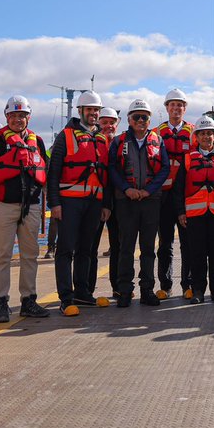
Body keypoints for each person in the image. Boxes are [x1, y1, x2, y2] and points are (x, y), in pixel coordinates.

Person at [0, 95, 50, 322]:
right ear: (6, 117)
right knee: (2, 255)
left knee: (30, 255)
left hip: (31, 207)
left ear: (29, 117)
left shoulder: (38, 142)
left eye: (22, 115)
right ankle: (0, 302)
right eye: (13, 115)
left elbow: (44, 170)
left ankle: (28, 300)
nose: (18, 119)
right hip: (3, 206)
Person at [47, 90, 111, 317]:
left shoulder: (102, 139)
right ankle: (66, 298)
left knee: (86, 249)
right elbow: (53, 173)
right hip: (69, 202)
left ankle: (83, 293)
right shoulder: (65, 136)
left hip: (94, 203)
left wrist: (106, 204)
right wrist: (54, 203)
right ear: (80, 111)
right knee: (65, 249)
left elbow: (107, 176)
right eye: (89, 109)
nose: (93, 113)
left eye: (96, 110)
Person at [108, 99, 170, 307]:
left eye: (145, 117)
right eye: (137, 117)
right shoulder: (119, 142)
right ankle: (125, 290)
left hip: (150, 201)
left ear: (149, 120)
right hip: (126, 201)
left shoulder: (158, 141)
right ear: (129, 119)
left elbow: (164, 169)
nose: (141, 120)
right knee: (125, 247)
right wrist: (127, 189)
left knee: (148, 248)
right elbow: (112, 168)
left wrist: (148, 191)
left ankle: (147, 289)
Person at [175, 115, 214, 304]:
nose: (206, 137)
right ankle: (198, 291)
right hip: (195, 214)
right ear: (196, 137)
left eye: (210, 133)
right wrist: (180, 211)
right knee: (197, 253)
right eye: (202, 134)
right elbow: (179, 188)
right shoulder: (187, 159)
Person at [154, 89, 195, 299]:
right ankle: (166, 285)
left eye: (180, 105)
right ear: (166, 107)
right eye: (172, 104)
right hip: (164, 196)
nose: (176, 108)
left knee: (188, 243)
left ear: (185, 108)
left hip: (186, 196)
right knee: (165, 244)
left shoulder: (194, 132)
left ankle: (187, 285)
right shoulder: (156, 133)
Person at [87, 106, 120, 297]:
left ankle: (118, 287)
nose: (108, 126)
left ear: (117, 124)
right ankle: (87, 289)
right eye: (104, 122)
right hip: (96, 201)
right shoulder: (91, 143)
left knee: (118, 246)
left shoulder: (122, 144)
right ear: (98, 123)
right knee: (90, 246)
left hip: (118, 203)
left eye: (112, 122)